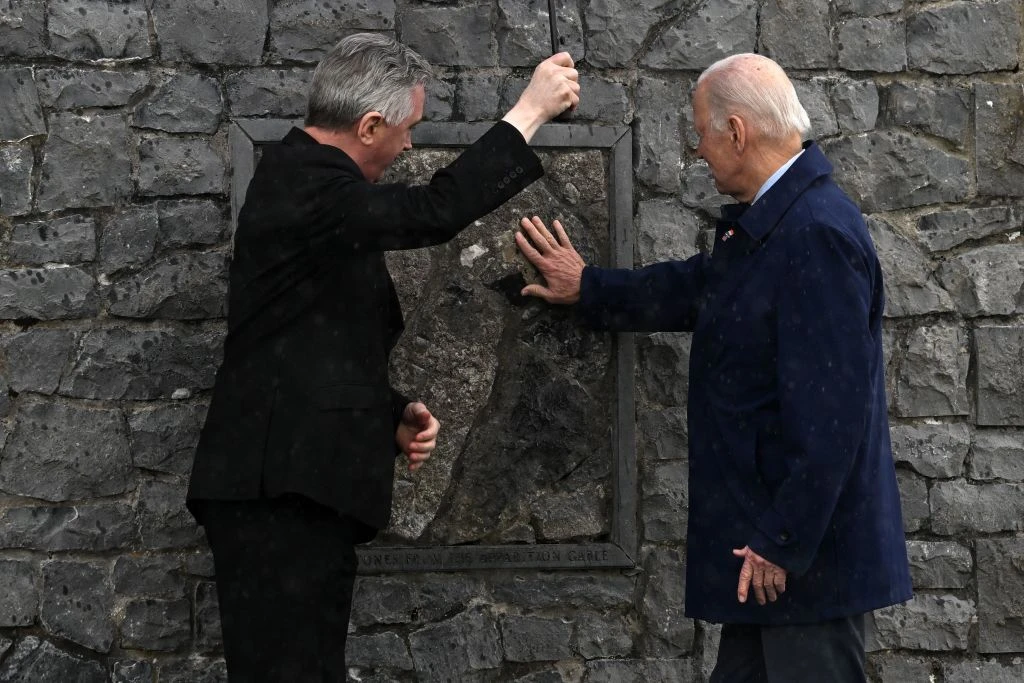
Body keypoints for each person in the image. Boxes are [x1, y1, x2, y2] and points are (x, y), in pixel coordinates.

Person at [185, 33, 580, 681]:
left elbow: (313, 341)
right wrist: (529, 112)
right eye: (407, 129)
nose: (410, 146)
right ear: (370, 125)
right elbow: (433, 211)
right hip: (277, 497)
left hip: (294, 491)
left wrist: (387, 413)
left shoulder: (317, 194)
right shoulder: (308, 185)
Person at [515, 53, 911, 682]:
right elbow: (694, 288)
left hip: (801, 568)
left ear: (736, 132)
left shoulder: (814, 235)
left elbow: (834, 416)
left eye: (700, 130)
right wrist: (588, 285)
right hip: (775, 562)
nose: (697, 149)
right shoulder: (777, 224)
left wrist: (782, 541)